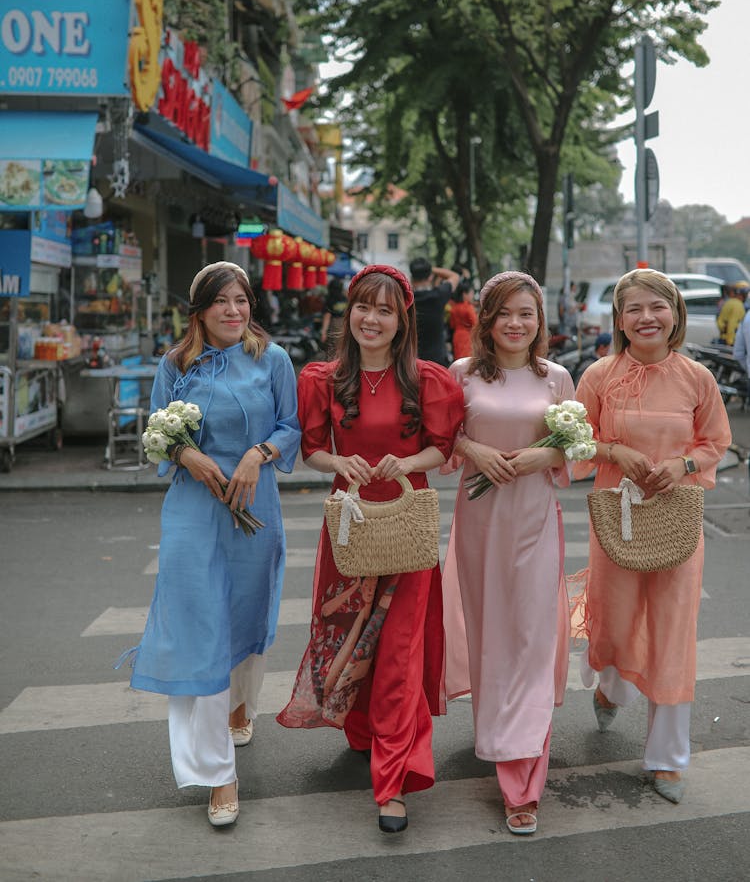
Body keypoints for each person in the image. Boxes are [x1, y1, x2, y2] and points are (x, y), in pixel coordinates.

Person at [277, 264, 464, 835]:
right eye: (363, 307)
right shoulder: (321, 379)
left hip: (407, 526)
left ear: (402, 319)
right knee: (354, 639)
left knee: (401, 655)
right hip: (350, 528)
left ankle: (394, 781)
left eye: (385, 310)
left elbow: (443, 447)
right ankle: (364, 733)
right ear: (349, 312)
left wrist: (406, 462)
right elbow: (311, 449)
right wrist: (340, 462)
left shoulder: (429, 380)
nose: (372, 319)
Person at [117, 261, 301, 827]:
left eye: (242, 300)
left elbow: (291, 426)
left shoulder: (271, 360)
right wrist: (186, 454)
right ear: (198, 310)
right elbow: (157, 431)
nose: (233, 310)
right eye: (221, 301)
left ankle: (241, 703)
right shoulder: (175, 365)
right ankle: (218, 774)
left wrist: (257, 455)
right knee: (201, 629)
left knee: (245, 617)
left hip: (253, 508)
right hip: (194, 511)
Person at [574, 268, 731, 804]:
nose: (646, 318)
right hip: (615, 515)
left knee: (673, 632)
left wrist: (683, 463)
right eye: (634, 309)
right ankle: (612, 685)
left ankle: (667, 758)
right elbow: (573, 440)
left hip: (676, 521)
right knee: (614, 621)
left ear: (675, 315)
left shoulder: (696, 377)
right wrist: (614, 452)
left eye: (657, 307)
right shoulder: (598, 376)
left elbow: (716, 441)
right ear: (619, 320)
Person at [441, 271, 576, 836]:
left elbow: (574, 447)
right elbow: (443, 440)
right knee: (492, 634)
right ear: (486, 320)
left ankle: (523, 780)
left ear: (539, 320)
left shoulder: (557, 378)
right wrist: (474, 447)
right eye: (504, 314)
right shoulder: (461, 375)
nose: (516, 324)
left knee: (530, 637)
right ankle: (499, 740)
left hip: (535, 521)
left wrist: (537, 459)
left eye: (527, 313)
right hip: (479, 524)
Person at [409, 256, 460, 365]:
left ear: (412, 277)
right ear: (430, 277)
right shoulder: (439, 295)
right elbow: (454, 276)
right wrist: (431, 269)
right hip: (436, 361)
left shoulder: (405, 298)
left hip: (410, 362)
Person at [448, 279, 478, 361]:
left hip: (456, 336)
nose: (472, 296)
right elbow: (476, 324)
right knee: (468, 361)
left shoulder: (453, 308)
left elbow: (452, 324)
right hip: (467, 337)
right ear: (464, 294)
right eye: (471, 293)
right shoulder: (468, 308)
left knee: (459, 361)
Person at [320, 276, 348, 357]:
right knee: (342, 349)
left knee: (332, 349)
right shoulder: (345, 299)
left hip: (334, 324)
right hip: (345, 324)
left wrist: (323, 332)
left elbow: (327, 316)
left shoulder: (330, 299)